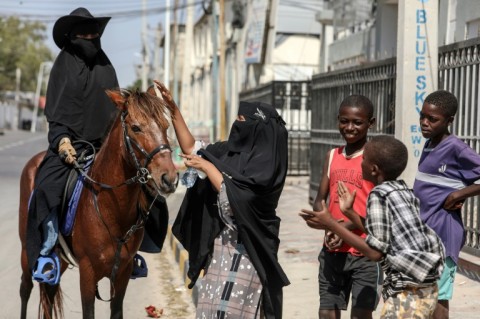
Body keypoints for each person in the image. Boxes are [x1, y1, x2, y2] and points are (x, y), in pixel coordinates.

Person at [153, 81, 290, 318]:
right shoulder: (227, 152)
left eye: (243, 119)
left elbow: (238, 200)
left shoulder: (265, 169)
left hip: (249, 255)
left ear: (258, 128)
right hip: (220, 250)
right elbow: (192, 148)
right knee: (210, 310)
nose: (237, 124)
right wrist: (173, 108)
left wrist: (207, 166)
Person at [301, 135, 445, 318]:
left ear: (374, 169)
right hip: (426, 284)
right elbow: (381, 231)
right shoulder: (402, 190)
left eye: (364, 159)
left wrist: (332, 224)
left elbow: (375, 252)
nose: (360, 161)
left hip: (407, 290)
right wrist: (350, 213)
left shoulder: (378, 195)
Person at [26, 7, 120, 285]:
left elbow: (116, 112)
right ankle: (47, 252)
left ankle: (133, 250)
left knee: (142, 186)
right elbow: (56, 112)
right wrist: (63, 141)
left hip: (104, 147)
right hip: (68, 146)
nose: (90, 38)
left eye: (93, 34)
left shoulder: (106, 67)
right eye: (84, 34)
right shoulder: (62, 66)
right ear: (72, 36)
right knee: (46, 188)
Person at [311, 94, 381, 319]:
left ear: (371, 123)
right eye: (344, 121)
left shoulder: (375, 159)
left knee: (361, 314)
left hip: (364, 252)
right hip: (332, 252)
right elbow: (320, 198)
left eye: (357, 122)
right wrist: (327, 226)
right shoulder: (332, 156)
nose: (349, 127)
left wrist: (341, 227)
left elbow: (377, 211)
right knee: (327, 312)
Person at [413, 90, 480, 319]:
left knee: (439, 297)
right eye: (422, 116)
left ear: (449, 120)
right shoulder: (429, 143)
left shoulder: (455, 147)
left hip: (443, 234)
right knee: (424, 296)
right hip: (425, 234)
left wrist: (459, 194)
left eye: (432, 119)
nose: (425, 122)